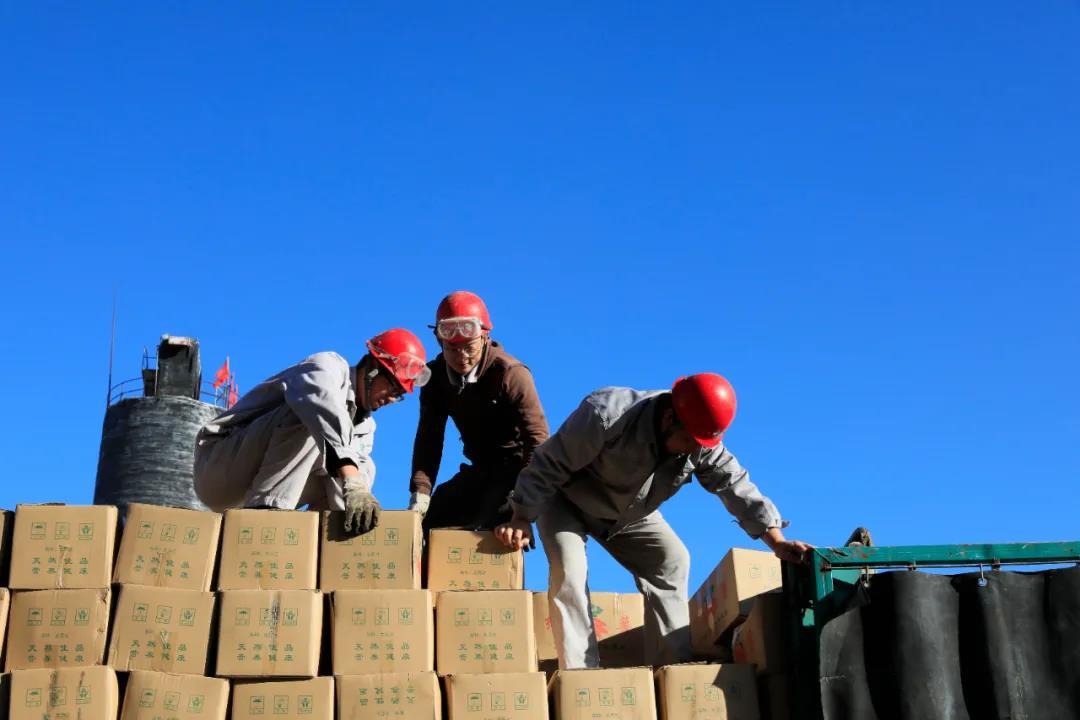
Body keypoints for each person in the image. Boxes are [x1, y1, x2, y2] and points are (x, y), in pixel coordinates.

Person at [495, 373, 811, 668]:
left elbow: (736, 486)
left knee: (672, 561)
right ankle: (581, 681)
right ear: (670, 417)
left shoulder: (701, 444)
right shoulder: (607, 413)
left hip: (628, 514)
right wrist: (522, 516)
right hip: (566, 501)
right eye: (690, 441)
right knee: (571, 571)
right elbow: (549, 462)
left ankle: (673, 671)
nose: (695, 451)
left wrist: (776, 542)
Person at [194, 329, 430, 535]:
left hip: (251, 488)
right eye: (392, 387)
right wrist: (352, 481)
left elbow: (349, 469)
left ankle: (331, 547)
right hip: (219, 468)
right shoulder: (327, 366)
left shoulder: (366, 428)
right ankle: (265, 523)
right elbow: (320, 405)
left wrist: (356, 493)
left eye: (398, 395)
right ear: (372, 369)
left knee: (363, 467)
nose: (391, 398)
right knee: (311, 421)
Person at [408, 291, 549, 531]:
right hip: (480, 468)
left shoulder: (511, 374)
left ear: (485, 337)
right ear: (440, 342)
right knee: (432, 520)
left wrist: (524, 504)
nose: (461, 357)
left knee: (490, 525)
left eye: (469, 347)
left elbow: (537, 440)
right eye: (452, 349)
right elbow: (429, 441)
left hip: (517, 470)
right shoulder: (435, 379)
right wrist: (420, 492)